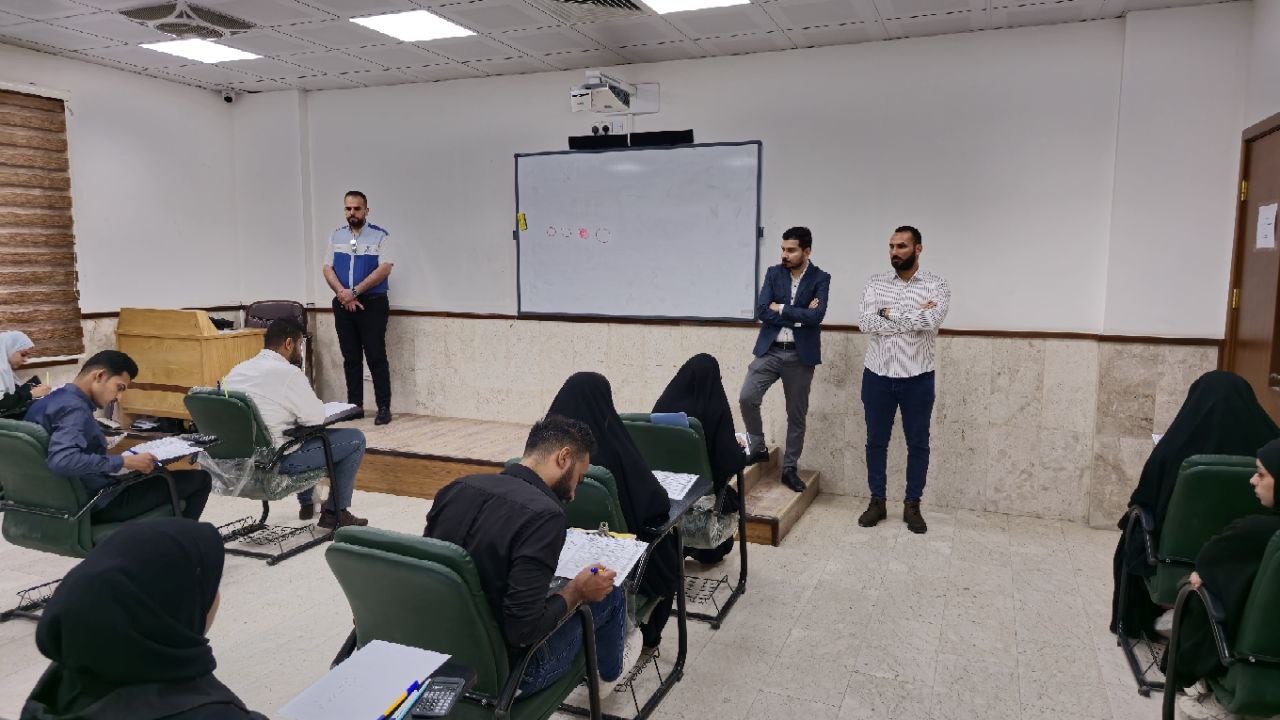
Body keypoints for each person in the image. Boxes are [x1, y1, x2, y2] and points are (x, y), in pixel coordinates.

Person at [424, 415, 625, 695]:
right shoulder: (545, 516)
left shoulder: (457, 487)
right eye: (578, 480)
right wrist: (577, 591)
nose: (573, 494)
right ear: (564, 457)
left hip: (438, 653)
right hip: (505, 676)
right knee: (611, 593)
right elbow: (523, 631)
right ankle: (609, 677)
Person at [21, 518, 267, 720]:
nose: (216, 595)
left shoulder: (58, 686)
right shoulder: (214, 713)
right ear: (171, 609)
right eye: (211, 586)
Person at [1109, 371, 1279, 641]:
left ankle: (1141, 619)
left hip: (1174, 563)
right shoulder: (1270, 455)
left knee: (1134, 523)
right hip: (1250, 562)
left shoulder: (1175, 449)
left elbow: (1144, 499)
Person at [548, 372, 678, 653]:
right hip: (616, 566)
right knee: (668, 544)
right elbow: (654, 504)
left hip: (558, 558)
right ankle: (649, 637)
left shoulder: (546, 453)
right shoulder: (613, 447)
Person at [1166, 439, 1280, 719]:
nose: (1252, 480)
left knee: (1198, 588)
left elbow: (1207, 560)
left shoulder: (1252, 533)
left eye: (1261, 474)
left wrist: (1204, 573)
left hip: (1246, 666)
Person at [24, 351, 211, 522]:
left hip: (53, 500)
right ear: (99, 376)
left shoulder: (50, 400)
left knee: (154, 476)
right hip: (96, 502)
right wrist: (124, 461)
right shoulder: (75, 408)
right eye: (119, 387)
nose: (119, 397)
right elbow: (63, 460)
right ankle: (180, 542)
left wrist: (95, 439)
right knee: (199, 479)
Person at [223, 319, 368, 529]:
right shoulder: (289, 374)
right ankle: (335, 513)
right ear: (289, 343)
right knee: (354, 439)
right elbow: (315, 418)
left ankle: (308, 503)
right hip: (275, 463)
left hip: (240, 462)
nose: (300, 350)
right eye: (300, 344)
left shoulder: (237, 370)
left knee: (302, 434)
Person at [856, 225, 951, 534]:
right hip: (877, 376)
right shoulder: (876, 282)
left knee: (918, 443)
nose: (895, 252)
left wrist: (887, 313)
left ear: (918, 249)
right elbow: (865, 322)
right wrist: (912, 314)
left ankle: (912, 505)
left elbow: (932, 319)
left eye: (902, 246)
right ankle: (877, 501)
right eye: (892, 246)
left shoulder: (937, 285)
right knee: (876, 442)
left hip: (918, 377)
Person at [739, 226, 831, 493]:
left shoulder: (820, 278)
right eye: (783, 249)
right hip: (770, 349)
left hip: (800, 356)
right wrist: (799, 315)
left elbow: (817, 316)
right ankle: (757, 446)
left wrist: (781, 308)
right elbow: (762, 310)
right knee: (747, 397)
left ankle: (789, 468)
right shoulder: (773, 273)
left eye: (791, 250)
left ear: (807, 251)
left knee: (796, 414)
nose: (784, 255)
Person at [653, 353, 746, 564]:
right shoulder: (714, 406)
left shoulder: (663, 406)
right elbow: (729, 463)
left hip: (668, 495)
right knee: (730, 498)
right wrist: (739, 451)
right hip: (704, 497)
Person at [323, 190, 395, 426]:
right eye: (348, 208)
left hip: (372, 304)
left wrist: (354, 292)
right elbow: (327, 268)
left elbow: (384, 268)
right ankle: (355, 407)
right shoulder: (336, 236)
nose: (352, 212)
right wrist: (344, 295)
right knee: (351, 358)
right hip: (343, 304)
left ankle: (383, 407)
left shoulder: (380, 236)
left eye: (357, 208)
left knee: (375, 355)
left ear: (366, 210)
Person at [1, 331, 52, 420]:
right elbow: (2, 403)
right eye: (23, 354)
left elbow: (13, 394)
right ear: (9, 349)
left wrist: (30, 388)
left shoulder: (6, 370)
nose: (25, 360)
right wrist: (31, 394)